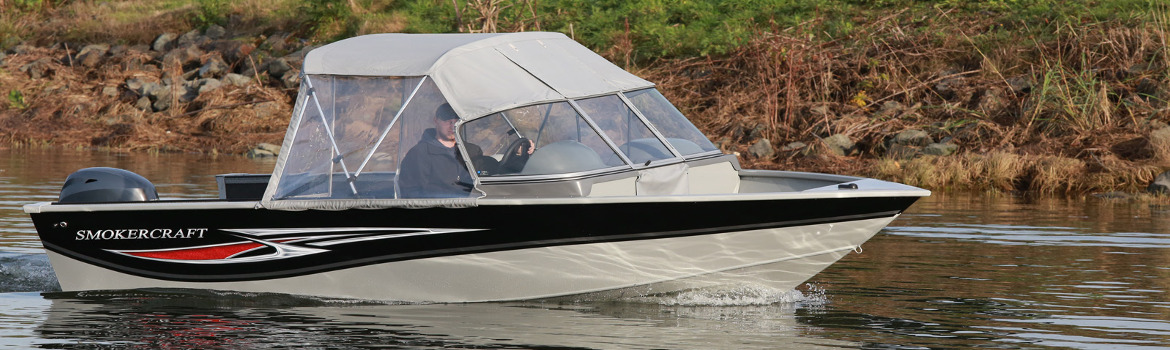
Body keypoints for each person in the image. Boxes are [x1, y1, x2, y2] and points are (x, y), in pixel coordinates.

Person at [398, 103, 474, 198]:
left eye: (457, 121)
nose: (453, 126)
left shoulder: (473, 151)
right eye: (447, 121)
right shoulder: (418, 154)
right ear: (436, 120)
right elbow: (410, 194)